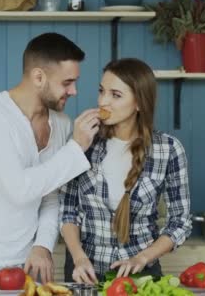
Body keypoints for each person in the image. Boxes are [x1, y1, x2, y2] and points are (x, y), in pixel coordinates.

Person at [0, 33, 101, 296]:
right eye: (67, 83)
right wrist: (77, 147)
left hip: (25, 261)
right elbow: (19, 189)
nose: (74, 91)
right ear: (38, 77)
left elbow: (50, 196)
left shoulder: (61, 123)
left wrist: (43, 246)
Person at [59, 58, 192, 284]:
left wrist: (142, 258)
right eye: (102, 91)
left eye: (115, 95)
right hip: (84, 273)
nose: (103, 101)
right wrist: (79, 257)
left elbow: (180, 222)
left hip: (141, 276)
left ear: (139, 102)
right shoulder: (84, 141)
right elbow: (68, 211)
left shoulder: (168, 149)